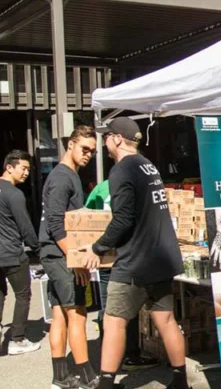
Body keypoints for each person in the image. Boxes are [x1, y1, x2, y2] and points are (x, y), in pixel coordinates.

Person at [90, 117, 188, 389]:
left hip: (135, 261)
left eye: (107, 137)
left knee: (113, 321)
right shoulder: (148, 166)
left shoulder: (121, 170)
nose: (104, 143)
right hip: (161, 258)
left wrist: (97, 247)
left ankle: (106, 384)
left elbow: (123, 219)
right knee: (166, 319)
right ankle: (180, 381)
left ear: (117, 138)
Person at [39, 126, 98, 389]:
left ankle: (61, 377)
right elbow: (55, 223)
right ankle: (88, 378)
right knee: (78, 314)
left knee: (60, 314)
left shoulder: (68, 175)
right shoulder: (62, 177)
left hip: (56, 254)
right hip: (60, 255)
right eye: (84, 148)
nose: (88, 154)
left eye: (92, 151)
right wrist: (76, 260)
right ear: (71, 144)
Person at [88, 179, 159, 373]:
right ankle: (130, 355)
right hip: (126, 255)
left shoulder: (101, 187)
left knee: (108, 309)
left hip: (105, 254)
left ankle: (108, 358)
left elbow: (88, 213)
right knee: (128, 309)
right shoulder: (138, 185)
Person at [0, 150, 40, 355]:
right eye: (23, 168)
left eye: (28, 169)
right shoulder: (15, 194)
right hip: (12, 254)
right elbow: (25, 227)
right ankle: (17, 339)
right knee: (23, 295)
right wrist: (38, 249)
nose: (26, 173)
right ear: (9, 167)